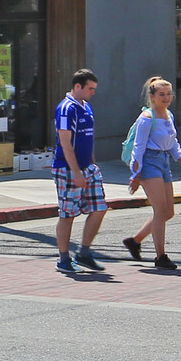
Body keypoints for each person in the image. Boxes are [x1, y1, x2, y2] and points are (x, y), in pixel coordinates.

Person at [123, 76, 181, 270]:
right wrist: (136, 174)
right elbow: (138, 147)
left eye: (169, 94)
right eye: (161, 94)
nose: (166, 97)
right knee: (160, 211)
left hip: (163, 162)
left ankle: (135, 241)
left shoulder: (168, 116)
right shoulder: (146, 118)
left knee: (168, 212)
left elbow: (172, 142)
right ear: (152, 97)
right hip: (149, 162)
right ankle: (160, 256)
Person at [52, 68, 107, 273]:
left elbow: (87, 138)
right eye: (90, 88)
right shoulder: (66, 108)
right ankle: (64, 259)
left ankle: (84, 253)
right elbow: (65, 143)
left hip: (88, 167)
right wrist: (76, 172)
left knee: (99, 208)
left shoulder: (87, 107)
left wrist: (92, 164)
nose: (93, 92)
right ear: (78, 86)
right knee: (68, 214)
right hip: (67, 169)